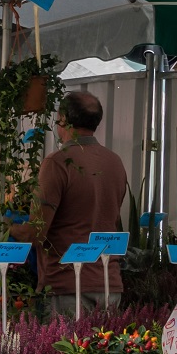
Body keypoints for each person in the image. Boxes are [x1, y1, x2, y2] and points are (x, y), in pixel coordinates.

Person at [35, 90, 128, 297]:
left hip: (67, 284)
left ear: (64, 120)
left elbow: (37, 230)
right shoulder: (114, 161)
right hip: (109, 283)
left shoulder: (58, 162)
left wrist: (8, 228)